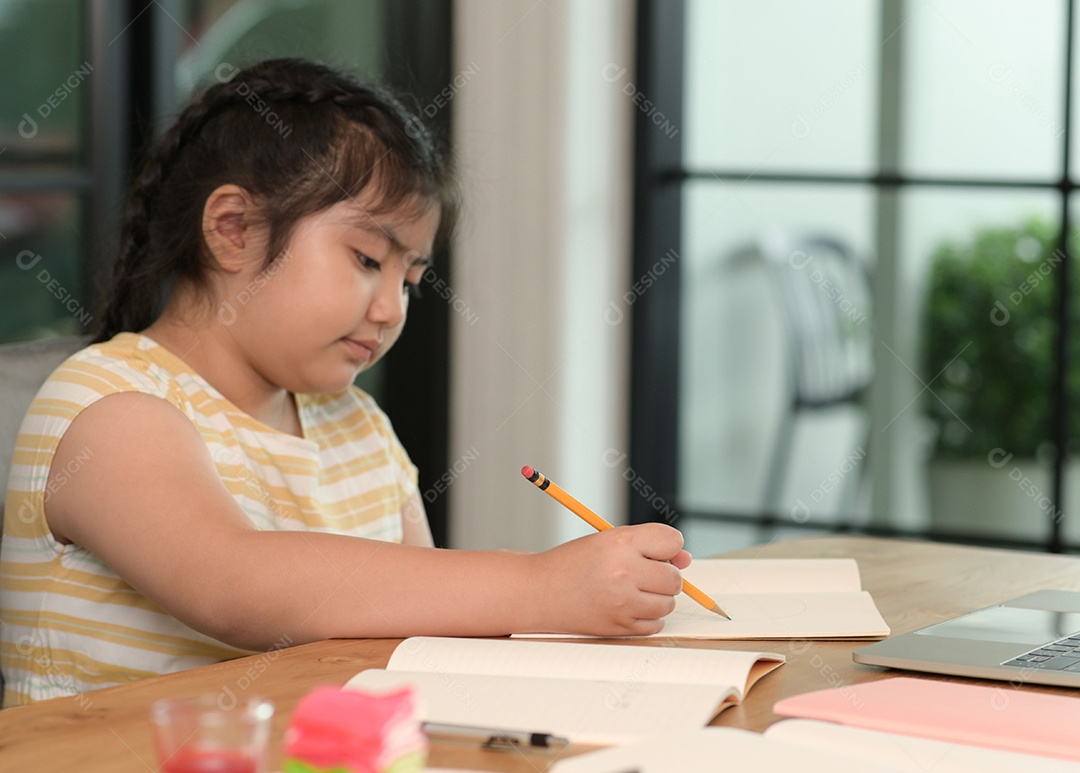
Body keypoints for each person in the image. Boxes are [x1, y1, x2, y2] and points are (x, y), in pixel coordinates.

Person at [0, 58, 691, 706]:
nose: (392, 308)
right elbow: (234, 583)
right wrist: (541, 584)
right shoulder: (113, 406)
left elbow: (423, 619)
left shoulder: (357, 425)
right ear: (233, 229)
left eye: (411, 281)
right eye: (366, 259)